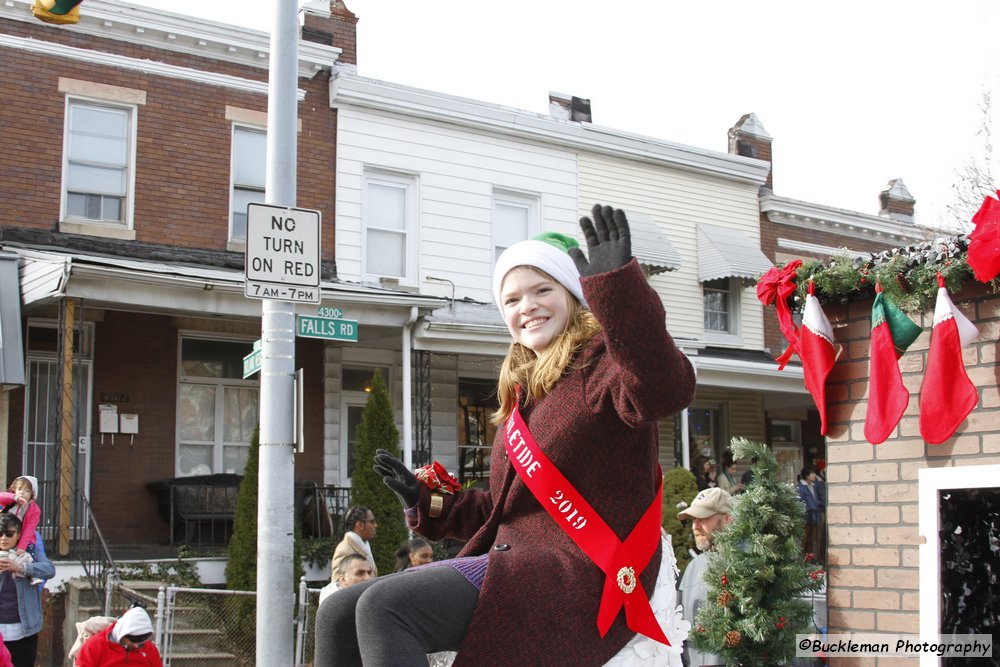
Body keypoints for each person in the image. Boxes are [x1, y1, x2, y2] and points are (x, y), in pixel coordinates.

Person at [316, 205, 696, 666]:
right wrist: (429, 500)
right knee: (336, 610)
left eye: (542, 290)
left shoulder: (605, 362)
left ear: (575, 294)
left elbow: (664, 388)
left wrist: (618, 290)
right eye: (512, 300)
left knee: (384, 608)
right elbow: (506, 510)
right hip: (520, 563)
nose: (527, 307)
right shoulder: (526, 394)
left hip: (581, 573)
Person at [677, 488, 733, 667]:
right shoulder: (694, 566)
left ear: (727, 519)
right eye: (694, 519)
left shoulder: (747, 564)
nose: (695, 526)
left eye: (704, 518)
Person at [0, 513, 55, 667]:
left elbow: (49, 570)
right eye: (0, 534)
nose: (3, 538)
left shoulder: (28, 553)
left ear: (18, 535)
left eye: (9, 534)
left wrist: (20, 567)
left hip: (24, 628)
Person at [74, 606, 162, 666]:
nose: (136, 645)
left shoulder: (150, 649)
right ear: (122, 632)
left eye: (141, 643)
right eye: (133, 639)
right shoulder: (95, 645)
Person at [330, 506, 378, 579]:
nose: (375, 525)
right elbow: (338, 584)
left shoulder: (364, 547)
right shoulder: (344, 551)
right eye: (372, 522)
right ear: (360, 525)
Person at [797, 466, 822, 557]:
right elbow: (800, 502)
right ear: (807, 475)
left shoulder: (813, 485)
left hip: (815, 515)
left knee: (813, 538)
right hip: (806, 516)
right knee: (805, 539)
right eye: (812, 473)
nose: (814, 475)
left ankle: (812, 557)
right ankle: (804, 558)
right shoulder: (801, 487)